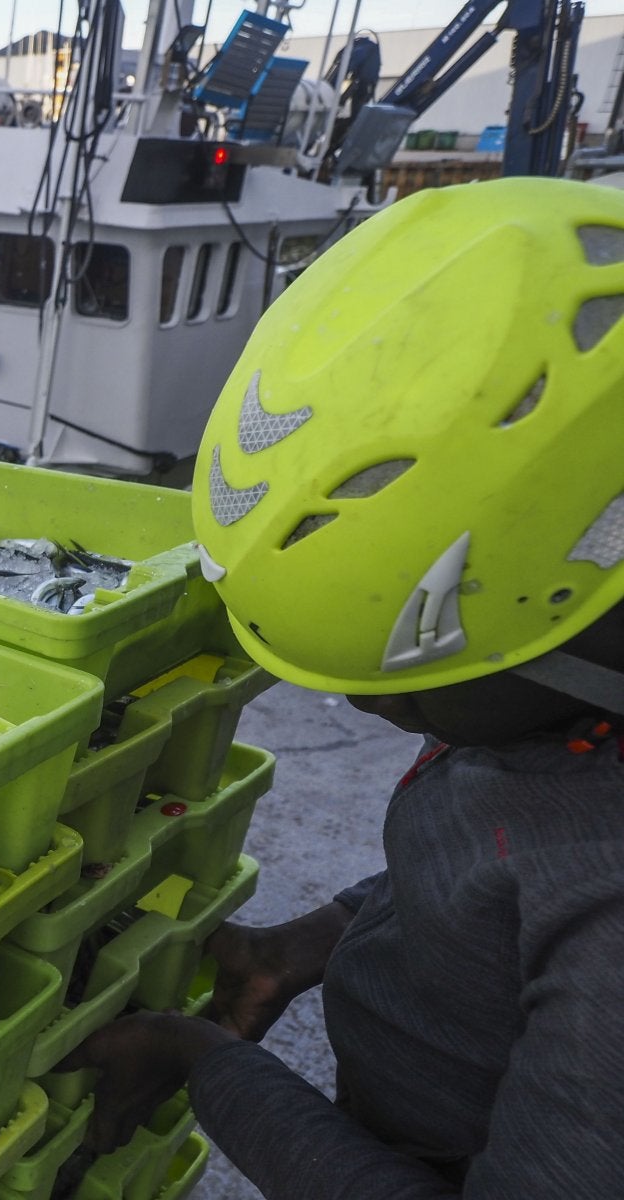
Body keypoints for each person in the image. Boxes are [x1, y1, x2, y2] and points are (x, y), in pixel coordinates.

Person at [60, 176, 624, 1196]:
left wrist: (211, 1070)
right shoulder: (555, 716)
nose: (375, 715)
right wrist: (318, 937)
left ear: (584, 634)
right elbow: (496, 858)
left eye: (405, 693)